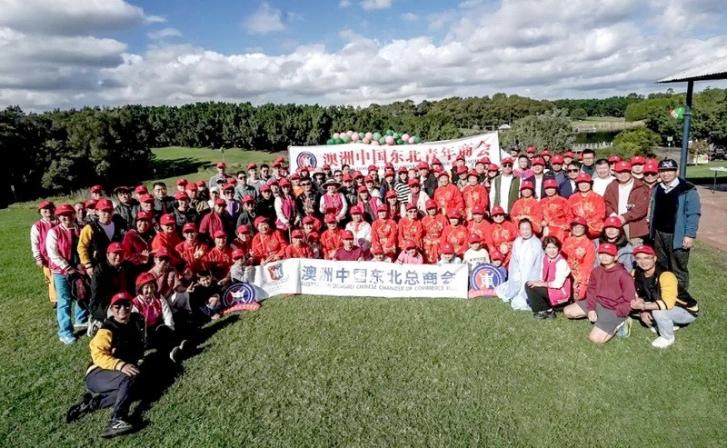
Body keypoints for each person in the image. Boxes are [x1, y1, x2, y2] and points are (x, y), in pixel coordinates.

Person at [65, 292, 143, 438]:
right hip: (97, 372)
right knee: (128, 378)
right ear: (112, 309)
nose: (122, 309)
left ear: (131, 306)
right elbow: (98, 354)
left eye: (126, 305)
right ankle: (117, 419)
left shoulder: (135, 322)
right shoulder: (107, 329)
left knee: (137, 389)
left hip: (116, 373)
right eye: (117, 306)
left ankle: (91, 404)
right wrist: (120, 365)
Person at [563, 243, 635, 345]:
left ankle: (622, 323)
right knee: (568, 312)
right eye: (602, 253)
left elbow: (629, 300)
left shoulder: (624, 275)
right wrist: (591, 309)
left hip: (613, 309)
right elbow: (591, 290)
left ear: (615, 257)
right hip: (598, 303)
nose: (604, 256)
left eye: (609, 254)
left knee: (595, 339)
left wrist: (620, 313)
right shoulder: (596, 271)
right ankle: (600, 318)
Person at [630, 244, 699, 348]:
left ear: (654, 259)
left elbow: (667, 304)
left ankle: (667, 338)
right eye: (639, 258)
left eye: (647, 258)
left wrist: (643, 307)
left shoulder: (666, 275)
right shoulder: (637, 272)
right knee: (635, 303)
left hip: (687, 310)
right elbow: (638, 292)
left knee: (658, 312)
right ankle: (669, 323)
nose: (643, 262)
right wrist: (642, 310)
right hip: (663, 302)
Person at [648, 159, 701, 293]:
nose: (666, 174)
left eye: (669, 171)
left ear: (676, 171)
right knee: (662, 265)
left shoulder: (687, 189)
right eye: (662, 171)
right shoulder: (657, 188)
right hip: (659, 233)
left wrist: (689, 235)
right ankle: (665, 292)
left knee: (678, 267)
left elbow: (693, 214)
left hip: (677, 235)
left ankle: (681, 296)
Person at [46, 203, 88, 344]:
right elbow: (53, 254)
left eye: (69, 214)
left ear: (74, 215)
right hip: (61, 272)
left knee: (81, 294)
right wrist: (67, 267)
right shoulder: (54, 232)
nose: (66, 218)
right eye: (63, 216)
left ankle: (81, 319)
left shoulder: (80, 229)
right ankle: (65, 332)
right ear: (58, 217)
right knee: (64, 301)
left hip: (79, 269)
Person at [495, 219, 544, 311]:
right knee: (511, 288)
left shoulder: (537, 243)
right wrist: (516, 273)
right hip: (519, 270)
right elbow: (514, 260)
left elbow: (538, 265)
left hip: (531, 272)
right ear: (519, 230)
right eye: (523, 229)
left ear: (531, 229)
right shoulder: (517, 241)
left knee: (522, 299)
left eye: (527, 229)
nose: (525, 232)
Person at [88, 242, 136, 334]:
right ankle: (99, 322)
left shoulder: (127, 266)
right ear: (107, 255)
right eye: (115, 253)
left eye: (121, 254)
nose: (118, 257)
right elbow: (97, 294)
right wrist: (114, 304)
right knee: (120, 315)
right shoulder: (100, 269)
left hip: (123, 300)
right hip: (104, 304)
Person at [524, 236, 572, 319]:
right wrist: (538, 282)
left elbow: (558, 284)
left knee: (533, 287)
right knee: (529, 284)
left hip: (560, 292)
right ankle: (547, 309)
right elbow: (542, 275)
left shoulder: (561, 262)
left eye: (554, 247)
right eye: (549, 247)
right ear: (545, 249)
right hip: (550, 288)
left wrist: (541, 284)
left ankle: (547, 310)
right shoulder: (545, 258)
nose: (552, 251)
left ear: (558, 248)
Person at [604, 160, 649, 244]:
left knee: (634, 248)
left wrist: (624, 217)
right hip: (614, 223)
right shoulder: (611, 186)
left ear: (630, 172)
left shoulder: (641, 187)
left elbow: (641, 208)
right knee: (614, 248)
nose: (623, 175)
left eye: (625, 172)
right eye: (620, 172)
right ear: (615, 173)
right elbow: (606, 203)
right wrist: (613, 215)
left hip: (633, 225)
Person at [78, 198, 126, 276]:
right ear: (97, 212)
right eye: (104, 211)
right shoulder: (89, 228)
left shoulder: (118, 225)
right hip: (97, 267)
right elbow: (82, 247)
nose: (107, 214)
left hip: (116, 265)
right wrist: (87, 264)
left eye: (109, 211)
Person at [562, 217, 596, 301]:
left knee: (578, 297)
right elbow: (562, 258)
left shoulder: (589, 244)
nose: (577, 229)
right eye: (575, 227)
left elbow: (588, 266)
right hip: (566, 272)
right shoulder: (567, 241)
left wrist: (580, 280)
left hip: (580, 275)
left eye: (580, 227)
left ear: (585, 229)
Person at [31, 200, 57, 305]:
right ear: (40, 212)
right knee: (50, 278)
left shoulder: (59, 222)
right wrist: (38, 257)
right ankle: (55, 299)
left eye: (50, 208)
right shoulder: (37, 226)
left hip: (61, 255)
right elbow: (35, 243)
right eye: (45, 209)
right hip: (47, 258)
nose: (48, 211)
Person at [567, 173, 606, 238]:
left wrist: (586, 224)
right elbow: (569, 215)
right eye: (580, 183)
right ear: (577, 185)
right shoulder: (572, 198)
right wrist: (576, 225)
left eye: (586, 182)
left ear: (590, 184)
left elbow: (601, 214)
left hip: (594, 228)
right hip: (577, 227)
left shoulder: (598, 197)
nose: (583, 185)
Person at [540, 178, 570, 243]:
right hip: (547, 230)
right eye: (547, 188)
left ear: (556, 188)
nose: (549, 190)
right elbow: (538, 216)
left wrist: (565, 227)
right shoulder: (542, 202)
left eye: (552, 188)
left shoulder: (563, 201)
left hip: (560, 232)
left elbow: (569, 216)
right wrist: (541, 222)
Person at [421, 200, 448, 264]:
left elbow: (446, 232)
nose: (431, 210)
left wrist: (439, 241)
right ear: (427, 210)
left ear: (436, 208)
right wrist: (427, 240)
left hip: (439, 241)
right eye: (429, 209)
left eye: (433, 208)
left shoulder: (442, 218)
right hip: (428, 242)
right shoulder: (424, 219)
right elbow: (422, 233)